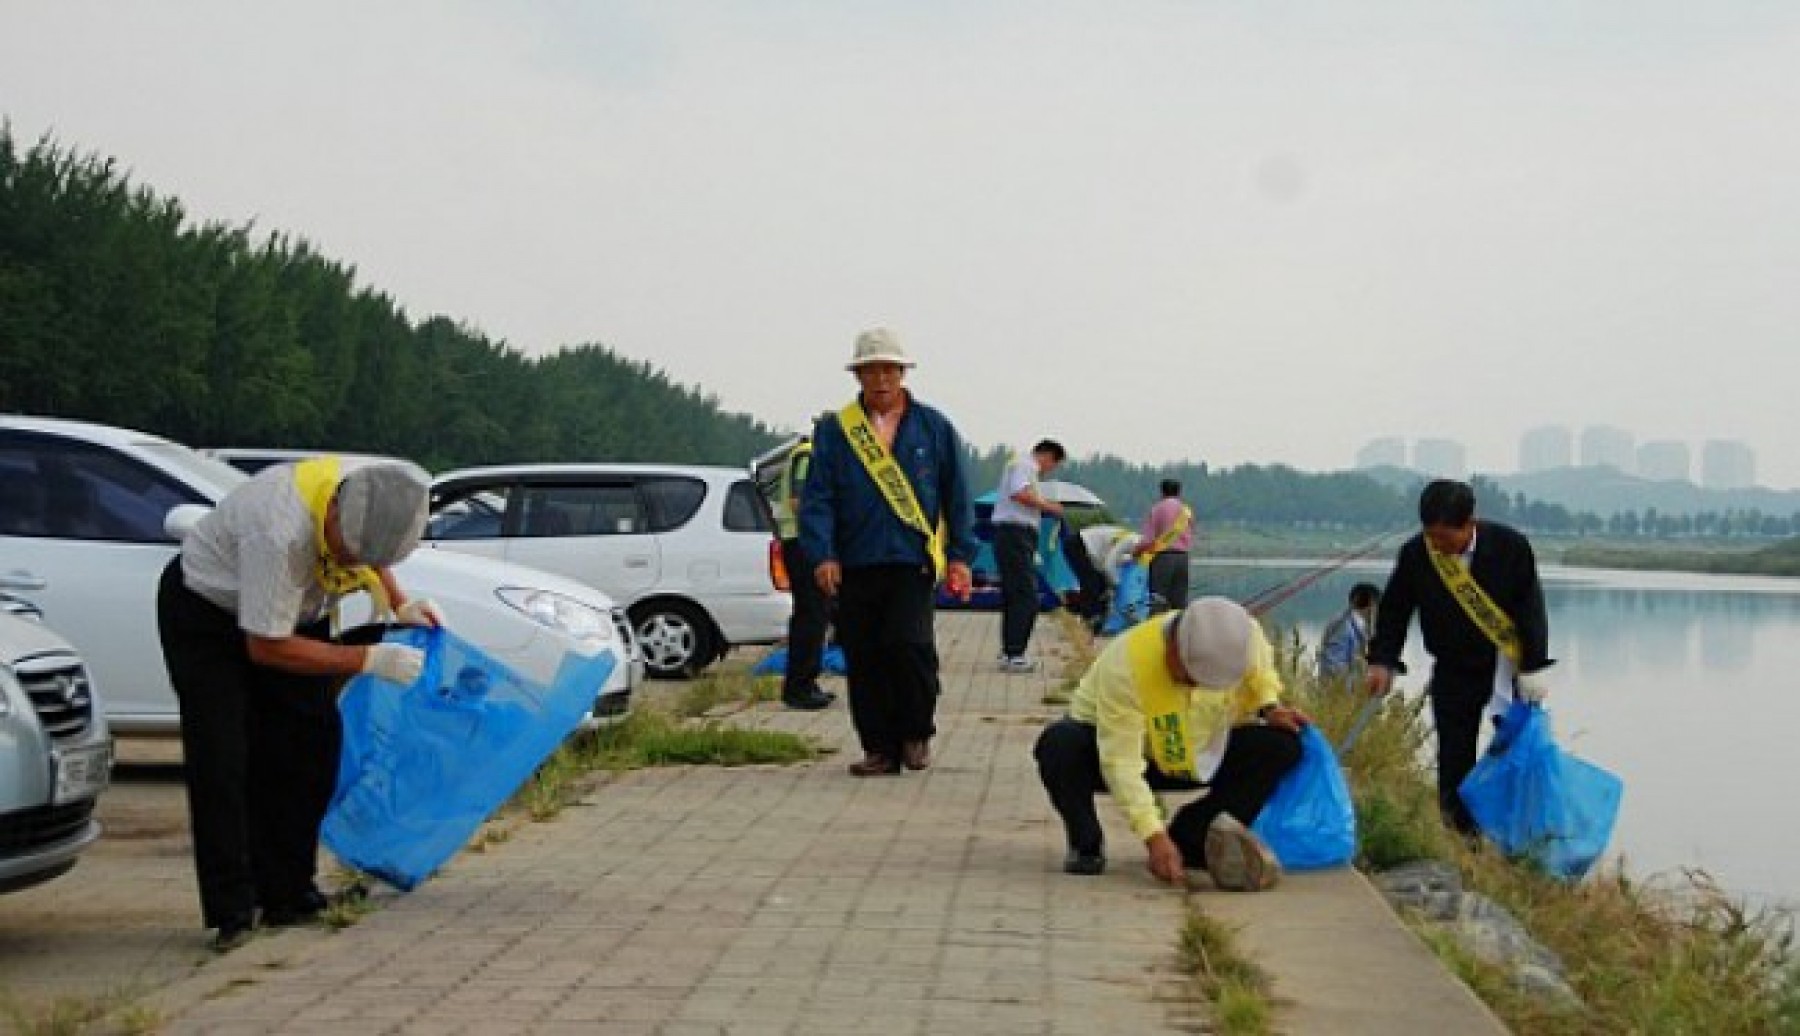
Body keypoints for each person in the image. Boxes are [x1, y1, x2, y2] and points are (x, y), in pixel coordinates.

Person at [156, 457, 442, 951]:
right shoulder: (279, 530)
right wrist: (364, 659)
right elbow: (266, 646)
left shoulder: (367, 494)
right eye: (348, 553)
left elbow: (374, 551)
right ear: (331, 516)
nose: (355, 566)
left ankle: (289, 893)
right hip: (210, 615)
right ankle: (233, 909)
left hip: (293, 611)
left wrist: (399, 603)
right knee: (225, 756)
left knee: (309, 746)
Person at [1033, 597, 1306, 889]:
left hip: (1196, 755)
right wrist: (1153, 835)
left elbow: (1261, 673)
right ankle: (1086, 842)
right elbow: (1120, 763)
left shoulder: (1243, 636)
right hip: (1129, 754)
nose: (1196, 687)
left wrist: (1269, 708)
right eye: (1190, 678)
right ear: (1174, 646)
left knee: (1283, 746)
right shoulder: (1127, 663)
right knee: (1059, 744)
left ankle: (1192, 838)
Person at [799, 328, 977, 777]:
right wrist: (823, 554)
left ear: (902, 373)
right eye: (870, 370)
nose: (880, 379)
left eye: (889, 370)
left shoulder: (933, 427)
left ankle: (916, 734)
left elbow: (957, 495)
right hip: (855, 562)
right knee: (865, 656)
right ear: (857, 375)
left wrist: (960, 556)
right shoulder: (837, 431)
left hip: (911, 560)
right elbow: (818, 497)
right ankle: (879, 748)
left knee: (910, 647)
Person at [1365, 479, 1553, 834]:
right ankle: (1460, 838)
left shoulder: (1510, 547)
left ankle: (1516, 837)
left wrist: (1532, 665)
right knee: (1454, 756)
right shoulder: (1417, 554)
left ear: (1470, 523)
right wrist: (1383, 660)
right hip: (1453, 667)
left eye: (1445, 537)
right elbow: (1394, 610)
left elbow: (1531, 609)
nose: (1438, 545)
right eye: (1431, 536)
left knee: (1517, 753)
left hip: (1505, 667)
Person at [772, 427, 836, 710]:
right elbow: (799, 502)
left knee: (817, 615)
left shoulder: (811, 455)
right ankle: (798, 688)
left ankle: (807, 682)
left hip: (806, 542)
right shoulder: (808, 456)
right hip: (802, 542)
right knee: (810, 616)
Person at [991, 439, 1067, 672]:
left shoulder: (1021, 465)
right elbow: (1019, 494)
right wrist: (1049, 507)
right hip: (1015, 533)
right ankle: (1016, 654)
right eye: (1053, 465)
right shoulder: (1025, 465)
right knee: (1026, 595)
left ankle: (1010, 651)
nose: (1049, 470)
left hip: (1014, 535)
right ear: (1047, 456)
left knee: (1014, 594)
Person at [1136, 479, 1195, 611]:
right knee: (1179, 602)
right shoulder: (1186, 512)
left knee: (1158, 600)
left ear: (1162, 492)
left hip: (1163, 558)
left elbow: (1148, 540)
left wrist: (1136, 552)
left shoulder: (1157, 509)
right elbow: (1191, 535)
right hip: (1183, 559)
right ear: (1179, 492)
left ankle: (1157, 629)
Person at [1316, 581, 1381, 687]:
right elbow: (1333, 666)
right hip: (1339, 696)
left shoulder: (1358, 624)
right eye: (1377, 605)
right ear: (1371, 604)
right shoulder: (1343, 626)